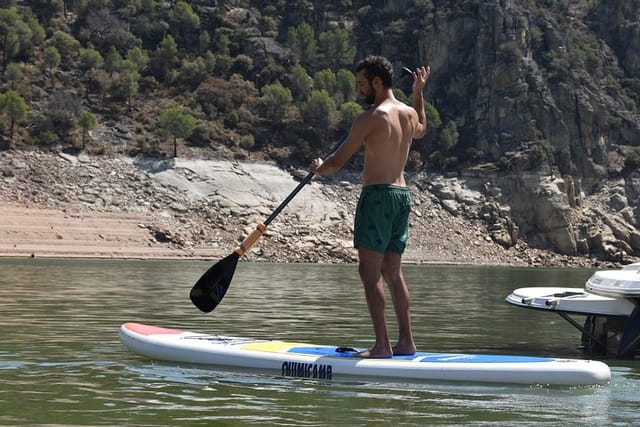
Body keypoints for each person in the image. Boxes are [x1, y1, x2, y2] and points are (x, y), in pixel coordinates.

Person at [311, 55, 430, 358]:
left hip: (377, 196)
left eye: (362, 84)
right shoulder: (407, 114)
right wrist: (418, 94)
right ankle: (406, 342)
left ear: (377, 82)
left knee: (369, 273)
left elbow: (338, 160)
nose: (359, 90)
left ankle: (382, 346)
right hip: (402, 196)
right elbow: (422, 129)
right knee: (393, 272)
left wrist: (319, 169)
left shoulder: (370, 118)